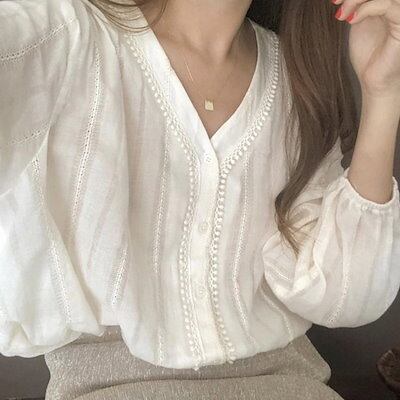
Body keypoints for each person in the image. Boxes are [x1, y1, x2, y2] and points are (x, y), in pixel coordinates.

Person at [1, 0, 400, 398]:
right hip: (107, 387)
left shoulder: (298, 83)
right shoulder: (67, 32)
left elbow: (343, 300)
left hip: (292, 384)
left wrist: (383, 92)